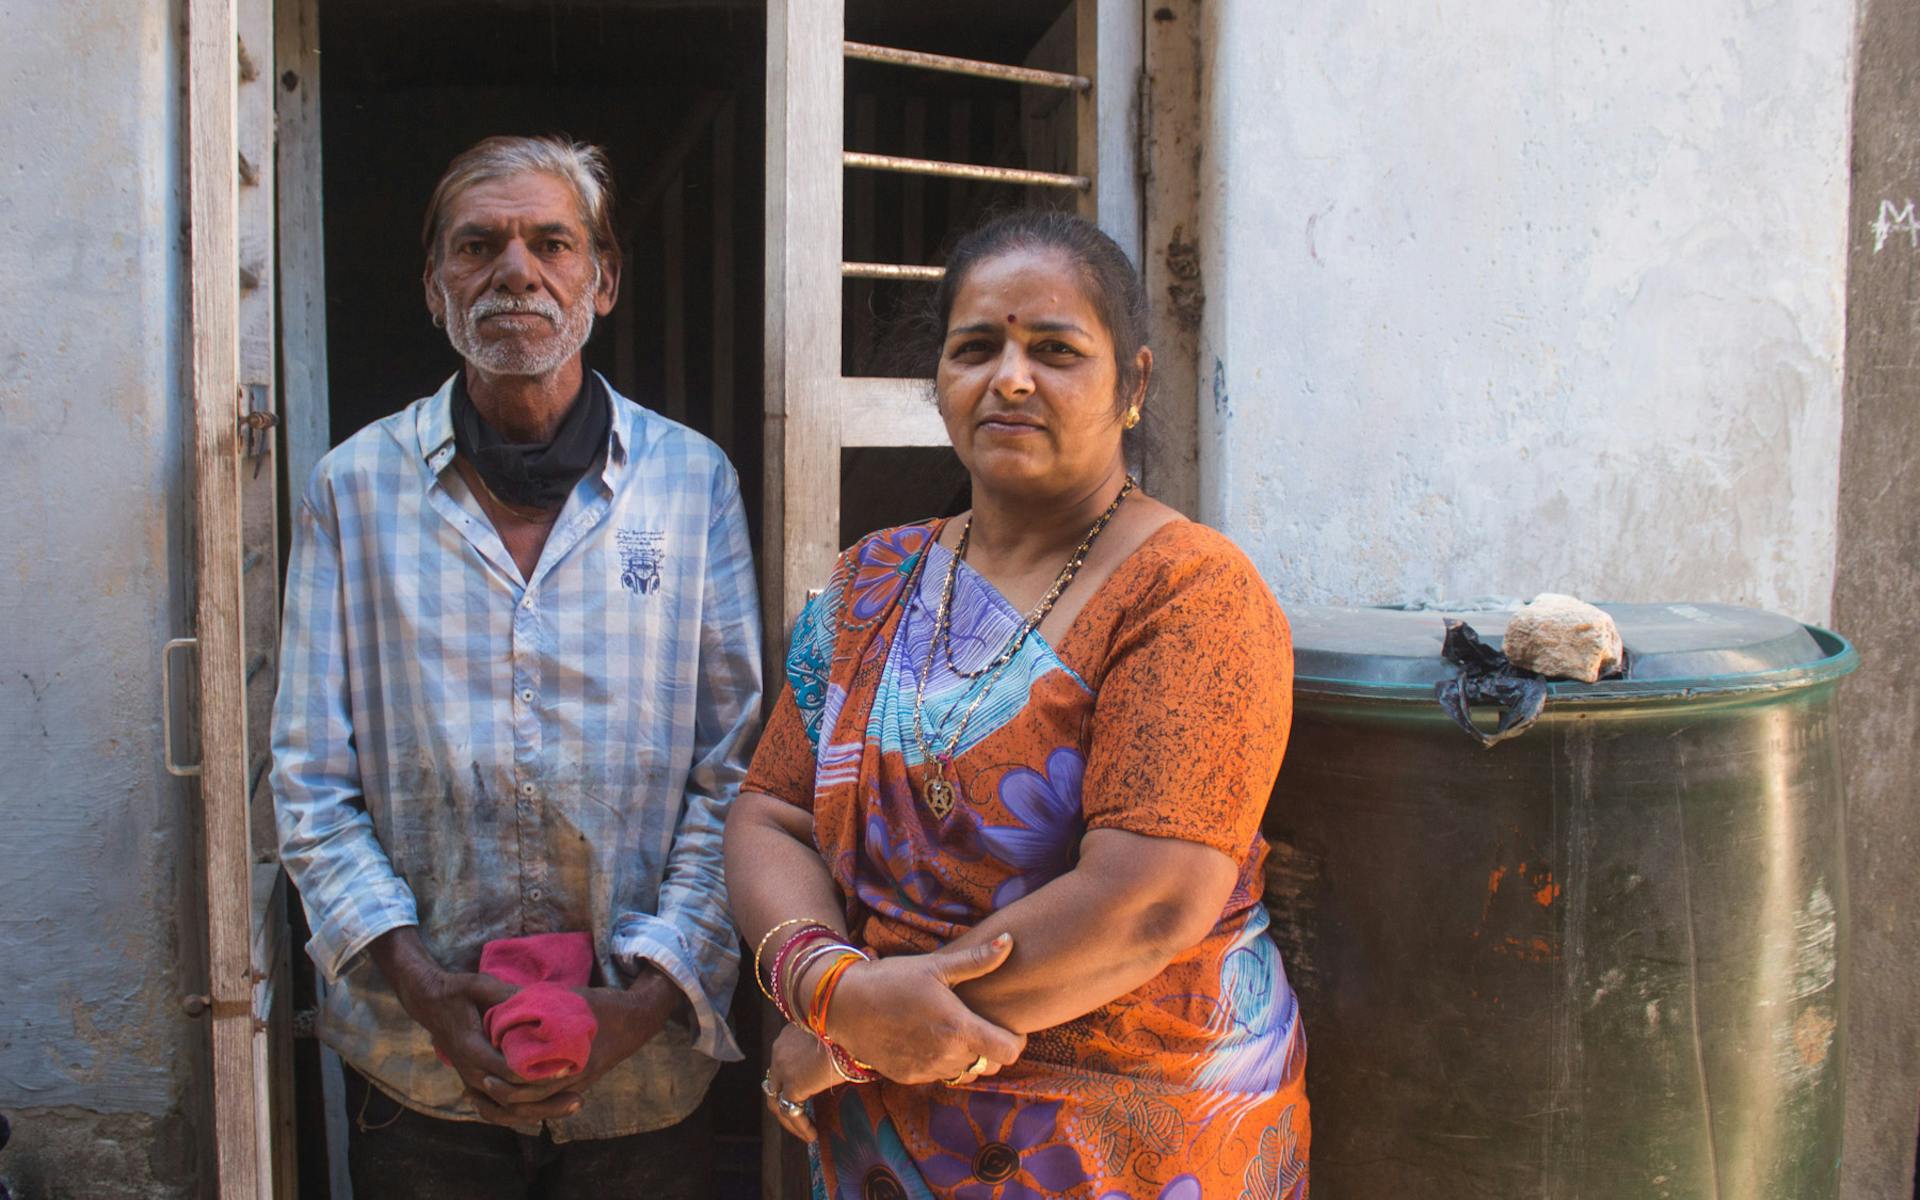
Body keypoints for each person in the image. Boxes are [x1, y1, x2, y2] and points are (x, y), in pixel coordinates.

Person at [726, 210, 1308, 1200]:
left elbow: (1149, 904)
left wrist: (860, 1037)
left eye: (1055, 350)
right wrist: (832, 989)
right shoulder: (875, 577)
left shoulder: (1190, 594)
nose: (1010, 377)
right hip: (889, 1146)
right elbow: (768, 811)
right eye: (975, 348)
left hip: (1126, 1141)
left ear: (1133, 384)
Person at [271, 135, 761, 1198]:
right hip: (417, 1059)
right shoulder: (354, 489)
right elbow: (309, 776)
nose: (516, 273)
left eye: (552, 243)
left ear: (604, 277)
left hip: (643, 1062)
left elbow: (737, 774)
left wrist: (648, 997)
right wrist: (419, 983)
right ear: (434, 286)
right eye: (479, 246)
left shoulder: (689, 483)